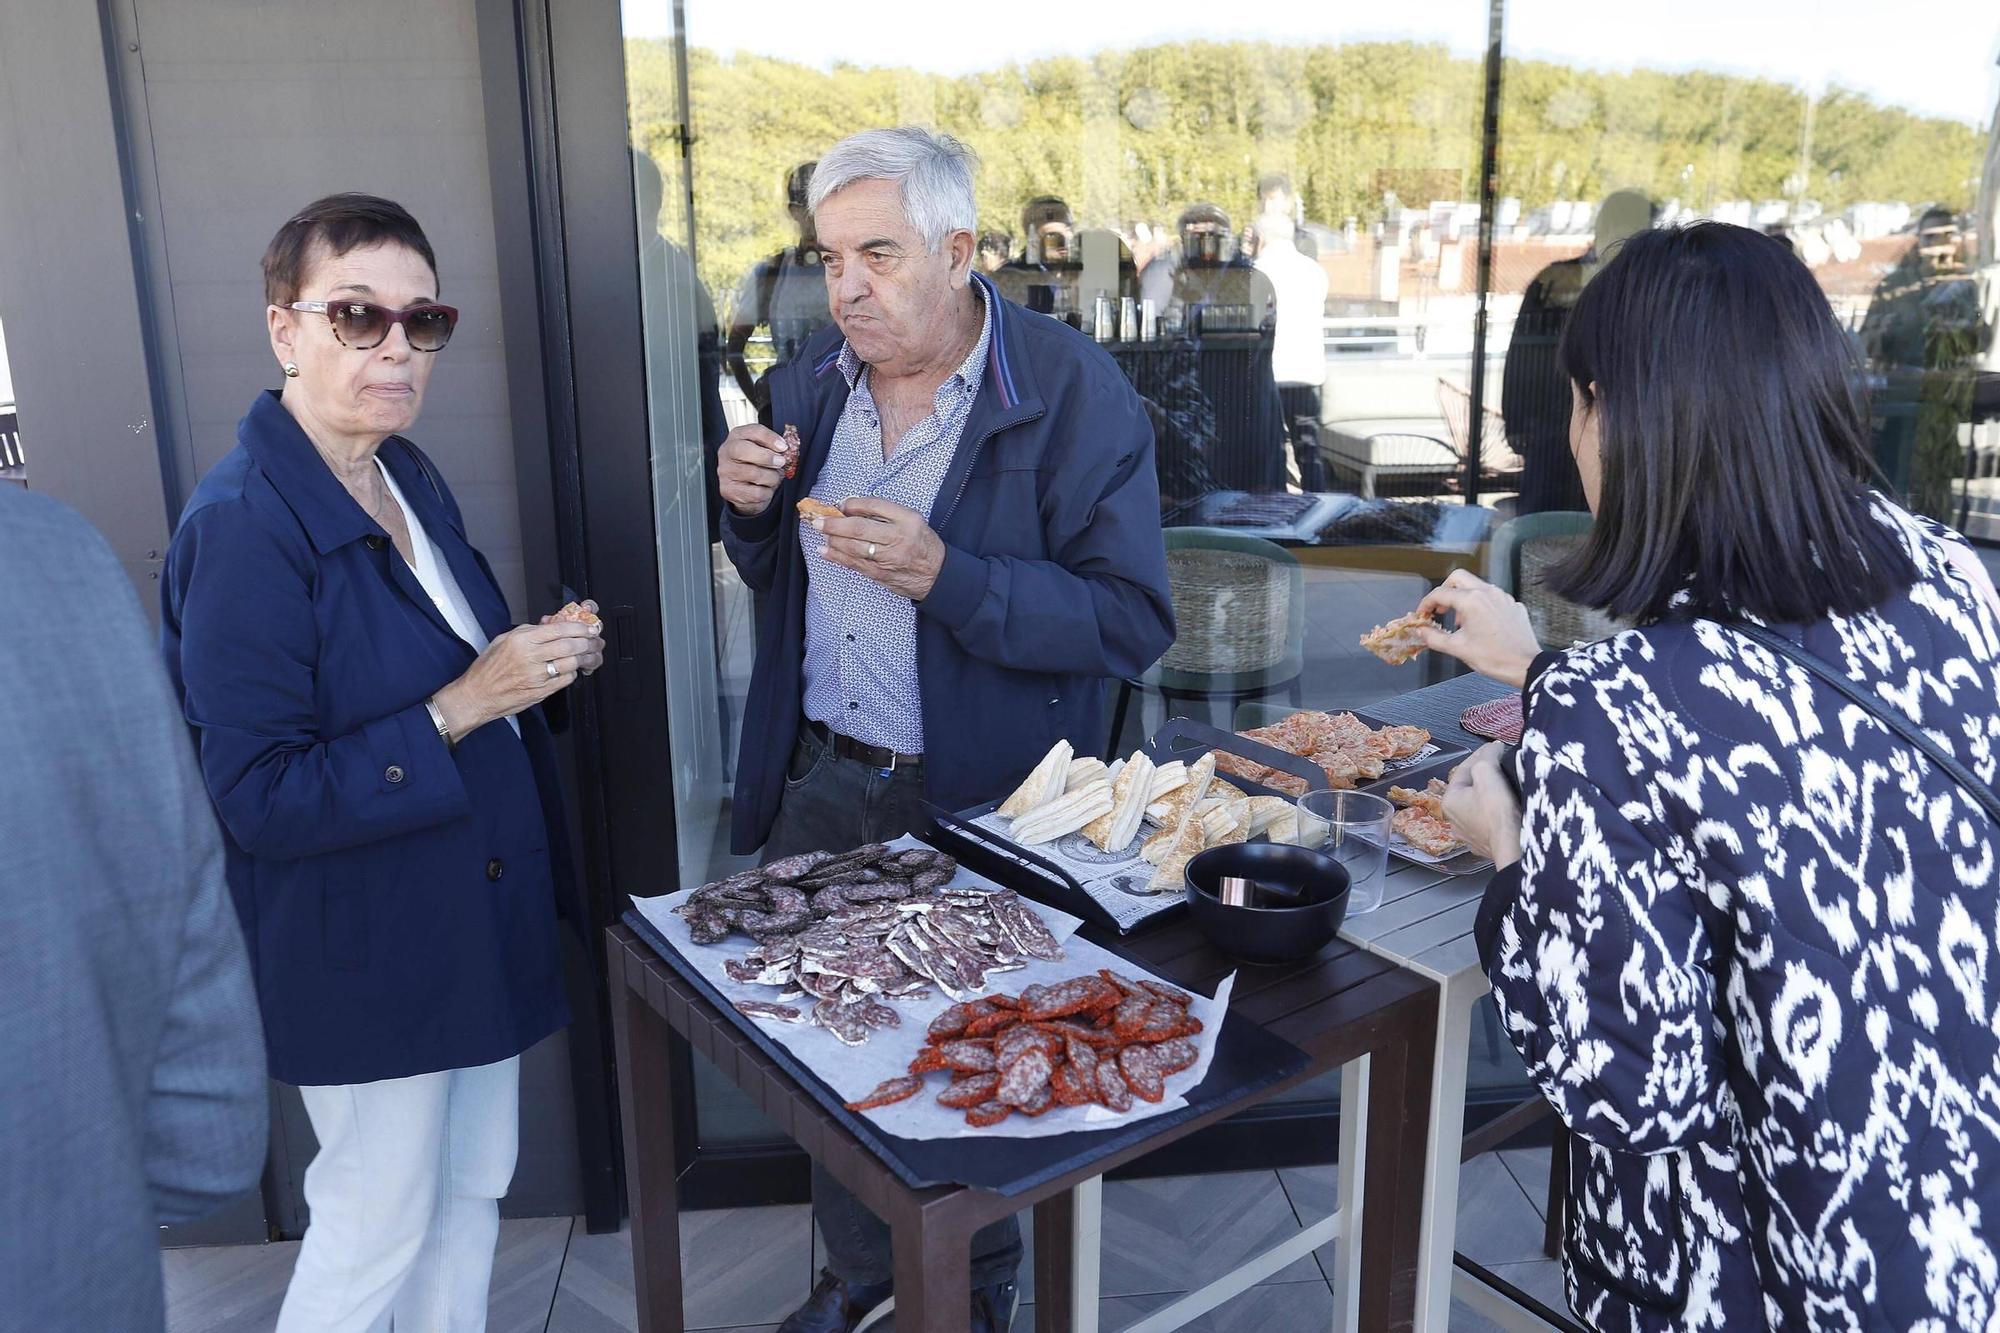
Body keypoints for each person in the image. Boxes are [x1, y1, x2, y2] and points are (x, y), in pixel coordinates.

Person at [1421, 223, 2000, 1331]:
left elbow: (1622, 1081)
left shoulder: (1619, 703)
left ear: (1615, 418)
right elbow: (1781, 754)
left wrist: (1509, 850)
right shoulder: (1951, 579)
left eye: (1579, 402)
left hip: (1750, 1265)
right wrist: (1541, 670)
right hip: (1943, 1210)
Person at [714, 126, 1174, 1333]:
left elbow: (1131, 620)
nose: (845, 288)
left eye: (877, 254)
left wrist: (949, 577)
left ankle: (974, 1296)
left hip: (983, 804)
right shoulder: (811, 380)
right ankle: (869, 1280)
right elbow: (783, 578)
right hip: (825, 779)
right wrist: (748, 511)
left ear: (960, 250)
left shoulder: (1071, 390)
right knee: (830, 1057)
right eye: (827, 258)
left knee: (970, 1066)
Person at [162, 193, 604, 1332]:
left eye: (422, 320)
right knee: (373, 1225)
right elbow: (256, 797)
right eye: (358, 316)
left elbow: (456, 667)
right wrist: (466, 703)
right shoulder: (244, 527)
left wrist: (536, 664)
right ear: (284, 330)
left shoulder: (406, 474)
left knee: (468, 1197)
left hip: (468, 921)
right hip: (366, 951)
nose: (397, 346)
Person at [0, 489, 267, 1332]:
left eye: (427, 340)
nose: (400, 354)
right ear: (287, 346)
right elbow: (207, 1144)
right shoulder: (54, 555)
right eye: (366, 339)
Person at [1501, 189, 1655, 513]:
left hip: (1614, 448)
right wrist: (1518, 427)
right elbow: (1522, 357)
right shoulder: (1557, 283)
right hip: (1552, 437)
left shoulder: (1639, 296)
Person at [727, 162, 836, 415]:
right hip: (787, 408)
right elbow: (734, 347)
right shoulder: (771, 273)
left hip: (844, 407)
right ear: (794, 211)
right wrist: (763, 406)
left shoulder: (853, 272)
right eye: (807, 209)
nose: (814, 218)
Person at [1247, 211, 1330, 490]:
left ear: (1261, 238)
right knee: (1309, 449)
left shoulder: (1256, 273)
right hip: (1307, 372)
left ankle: (1276, 515)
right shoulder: (1314, 270)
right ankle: (1318, 506)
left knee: (1272, 449)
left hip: (1271, 371)